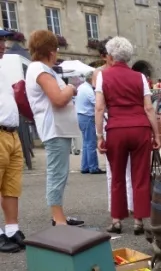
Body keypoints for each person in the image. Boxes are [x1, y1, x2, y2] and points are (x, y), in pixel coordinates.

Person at [95, 37, 161, 235]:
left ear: (110, 55)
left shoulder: (103, 76)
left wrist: (99, 135)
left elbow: (99, 108)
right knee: (140, 176)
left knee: (117, 176)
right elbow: (148, 108)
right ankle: (139, 221)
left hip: (116, 129)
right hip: (140, 128)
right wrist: (156, 134)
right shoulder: (139, 77)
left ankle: (116, 220)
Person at [26, 30, 83, 227]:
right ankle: (58, 218)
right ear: (51, 51)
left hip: (57, 128)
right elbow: (58, 99)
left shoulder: (41, 69)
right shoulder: (40, 70)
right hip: (54, 129)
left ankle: (59, 215)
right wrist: (71, 88)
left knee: (60, 171)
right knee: (57, 172)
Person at [93, 38, 134, 217]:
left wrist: (99, 135)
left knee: (125, 170)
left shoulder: (108, 74)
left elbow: (100, 106)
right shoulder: (99, 74)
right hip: (115, 121)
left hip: (115, 122)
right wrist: (99, 133)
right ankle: (116, 206)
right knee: (114, 171)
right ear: (105, 56)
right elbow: (100, 106)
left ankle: (128, 205)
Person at [0, 30, 24, 252]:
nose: (2, 45)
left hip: (11, 133)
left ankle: (11, 229)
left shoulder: (2, 69)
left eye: (1, 40)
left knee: (11, 185)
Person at [75, 72, 102, 174]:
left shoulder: (82, 87)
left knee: (86, 143)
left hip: (81, 116)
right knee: (91, 142)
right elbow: (96, 103)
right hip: (87, 116)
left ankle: (85, 166)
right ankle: (93, 167)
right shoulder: (88, 90)